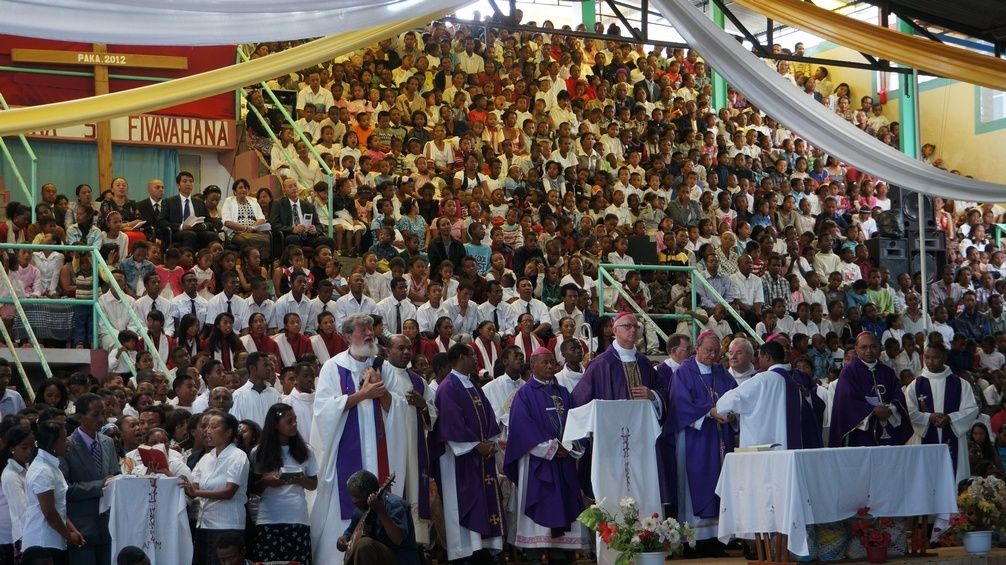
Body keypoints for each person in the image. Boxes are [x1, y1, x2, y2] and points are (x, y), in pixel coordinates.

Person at [309, 313, 406, 562]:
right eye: (363, 330)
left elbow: (400, 406)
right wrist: (362, 394)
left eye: (371, 329)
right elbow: (323, 410)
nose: (370, 334)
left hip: (381, 449)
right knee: (343, 503)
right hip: (345, 453)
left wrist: (381, 392)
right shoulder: (333, 367)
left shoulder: (384, 367)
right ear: (347, 336)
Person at [502, 347, 588, 562]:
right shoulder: (524, 394)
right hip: (537, 463)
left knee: (565, 505)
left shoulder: (563, 393)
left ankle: (560, 554)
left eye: (552, 363)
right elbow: (522, 428)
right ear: (533, 366)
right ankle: (533, 554)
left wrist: (569, 446)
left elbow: (577, 423)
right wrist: (550, 448)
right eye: (545, 363)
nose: (551, 366)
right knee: (539, 510)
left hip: (563, 461)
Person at [429, 343, 504, 563]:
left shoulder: (471, 384)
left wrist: (490, 442)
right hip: (458, 459)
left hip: (479, 456)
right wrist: (475, 445)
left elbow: (488, 417)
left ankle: (481, 548)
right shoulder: (448, 387)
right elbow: (451, 424)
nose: (476, 360)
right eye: (472, 355)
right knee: (462, 503)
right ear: (461, 357)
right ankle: (464, 552)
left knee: (483, 501)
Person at [668, 331, 736, 554]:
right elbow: (679, 404)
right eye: (708, 350)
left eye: (716, 351)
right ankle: (693, 540)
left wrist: (734, 414)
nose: (713, 355)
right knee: (695, 482)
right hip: (696, 439)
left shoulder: (721, 372)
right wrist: (709, 412)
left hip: (720, 437)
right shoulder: (683, 373)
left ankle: (719, 538)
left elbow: (737, 396)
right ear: (697, 348)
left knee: (721, 484)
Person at [381, 334, 437, 545]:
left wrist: (423, 406)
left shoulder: (418, 381)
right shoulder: (382, 376)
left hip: (414, 448)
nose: (406, 352)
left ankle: (415, 542)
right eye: (400, 348)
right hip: (389, 445)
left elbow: (432, 414)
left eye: (408, 348)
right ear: (388, 351)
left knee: (413, 487)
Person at [250, 403, 318, 564]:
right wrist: (267, 481)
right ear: (275, 424)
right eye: (289, 421)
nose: (294, 424)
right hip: (269, 517)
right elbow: (254, 488)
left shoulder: (305, 450)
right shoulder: (259, 452)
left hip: (297, 515)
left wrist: (301, 480)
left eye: (295, 420)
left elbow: (313, 484)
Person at [181, 412, 249, 565]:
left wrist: (196, 492)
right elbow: (193, 486)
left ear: (229, 432)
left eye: (213, 427)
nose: (207, 431)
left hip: (226, 525)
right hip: (204, 523)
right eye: (205, 427)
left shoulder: (238, 456)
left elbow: (229, 492)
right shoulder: (206, 458)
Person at [905, 343, 979, 484]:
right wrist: (929, 417)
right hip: (924, 439)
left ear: (944, 357)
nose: (930, 361)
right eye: (927, 357)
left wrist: (950, 418)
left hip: (953, 439)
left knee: (953, 480)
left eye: (935, 357)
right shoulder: (916, 385)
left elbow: (971, 410)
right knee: (925, 480)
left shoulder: (961, 384)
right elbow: (908, 411)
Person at [61, 393, 119, 565]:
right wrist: (100, 485)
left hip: (109, 524)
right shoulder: (66, 445)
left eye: (103, 413)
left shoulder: (108, 442)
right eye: (95, 415)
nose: (101, 419)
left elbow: (116, 475)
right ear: (80, 417)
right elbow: (65, 489)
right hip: (81, 526)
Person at [715, 340, 804, 448]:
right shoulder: (794, 386)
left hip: (763, 449)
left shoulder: (761, 380)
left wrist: (724, 414)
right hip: (787, 450)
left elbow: (725, 403)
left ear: (767, 357)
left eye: (760, 357)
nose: (758, 360)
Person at [830, 332, 913, 447]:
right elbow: (847, 401)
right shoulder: (849, 372)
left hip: (889, 429)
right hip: (861, 433)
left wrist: (891, 409)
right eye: (864, 347)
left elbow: (898, 396)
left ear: (879, 348)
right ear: (856, 349)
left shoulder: (887, 371)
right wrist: (872, 411)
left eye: (873, 346)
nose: (869, 351)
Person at [23, 420, 83, 565]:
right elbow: (49, 512)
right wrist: (68, 536)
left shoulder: (51, 465)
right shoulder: (43, 470)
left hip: (55, 539)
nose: (67, 442)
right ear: (53, 444)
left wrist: (72, 530)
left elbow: (58, 506)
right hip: (43, 542)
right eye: (63, 439)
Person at [337, 470, 420, 565]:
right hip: (375, 559)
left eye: (356, 496)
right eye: (351, 496)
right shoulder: (360, 511)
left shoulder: (395, 505)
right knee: (359, 548)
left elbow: (398, 539)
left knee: (364, 545)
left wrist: (381, 511)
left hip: (401, 559)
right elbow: (350, 532)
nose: (353, 501)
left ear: (369, 495)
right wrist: (343, 539)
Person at [270, 177, 336, 249]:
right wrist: (292, 229)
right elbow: (274, 225)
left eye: (295, 185)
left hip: (308, 235)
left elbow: (318, 225)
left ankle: (327, 260)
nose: (294, 188)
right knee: (294, 239)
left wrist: (315, 229)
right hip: (290, 235)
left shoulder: (308, 206)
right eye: (290, 186)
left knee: (330, 241)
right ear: (284, 191)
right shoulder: (278, 204)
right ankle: (298, 260)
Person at [158, 171, 217, 250]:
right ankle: (188, 259)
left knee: (212, 235)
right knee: (189, 234)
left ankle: (208, 260)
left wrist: (203, 226)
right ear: (178, 185)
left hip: (198, 231)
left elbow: (209, 221)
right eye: (185, 181)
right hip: (178, 232)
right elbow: (161, 221)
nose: (188, 184)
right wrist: (181, 226)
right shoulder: (169, 202)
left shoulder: (199, 202)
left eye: (191, 181)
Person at [230, 352, 281, 427]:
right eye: (265, 365)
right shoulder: (238, 395)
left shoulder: (275, 394)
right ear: (252, 368)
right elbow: (236, 424)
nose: (269, 369)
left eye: (269, 365)